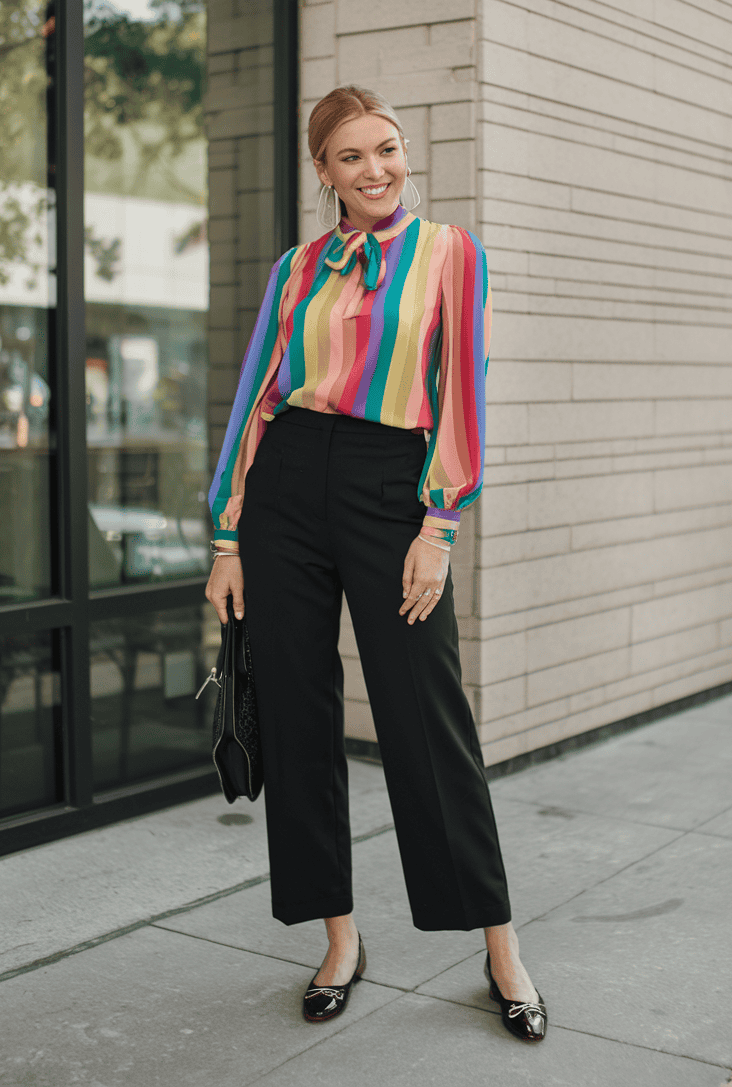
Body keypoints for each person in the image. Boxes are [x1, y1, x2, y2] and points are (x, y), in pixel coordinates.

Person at [205, 84, 547, 1044]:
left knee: (426, 718)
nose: (378, 169)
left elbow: (463, 390)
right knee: (303, 716)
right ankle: (340, 939)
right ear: (325, 172)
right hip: (284, 491)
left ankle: (501, 947)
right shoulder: (297, 268)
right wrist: (228, 535)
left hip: (391, 485)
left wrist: (437, 525)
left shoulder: (450, 254)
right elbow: (253, 399)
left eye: (388, 148)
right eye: (352, 156)